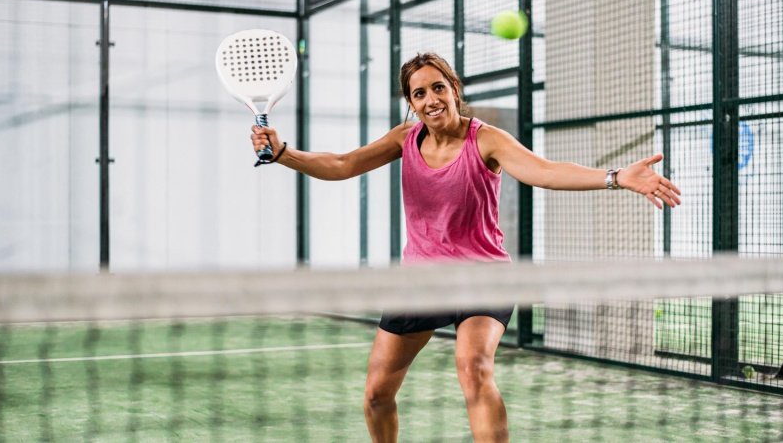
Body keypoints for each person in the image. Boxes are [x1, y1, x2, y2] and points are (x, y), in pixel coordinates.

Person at [250, 52, 681, 442]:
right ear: (411, 103)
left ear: (454, 89)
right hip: (421, 281)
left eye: (438, 87)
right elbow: (343, 164)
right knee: (377, 395)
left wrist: (615, 177)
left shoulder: (486, 139)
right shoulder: (405, 139)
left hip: (483, 278)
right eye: (419, 94)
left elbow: (544, 171)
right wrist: (283, 152)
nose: (431, 99)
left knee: (474, 368)